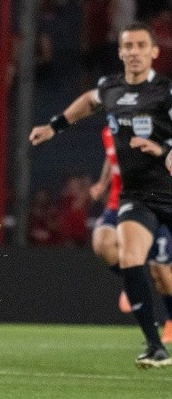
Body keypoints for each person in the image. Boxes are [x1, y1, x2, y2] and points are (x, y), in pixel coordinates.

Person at [30, 22, 172, 368]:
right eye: (128, 46)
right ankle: (156, 347)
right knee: (131, 259)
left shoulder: (165, 92)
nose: (134, 52)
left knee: (163, 274)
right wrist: (54, 126)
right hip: (136, 196)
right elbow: (88, 101)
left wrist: (163, 148)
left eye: (141, 45)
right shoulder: (111, 87)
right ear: (120, 51)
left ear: (154, 52)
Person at [90, 126, 172, 341]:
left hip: (154, 203)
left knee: (161, 273)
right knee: (102, 243)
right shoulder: (109, 131)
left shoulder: (156, 126)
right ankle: (132, 280)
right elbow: (112, 157)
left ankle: (171, 321)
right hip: (120, 201)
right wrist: (102, 182)